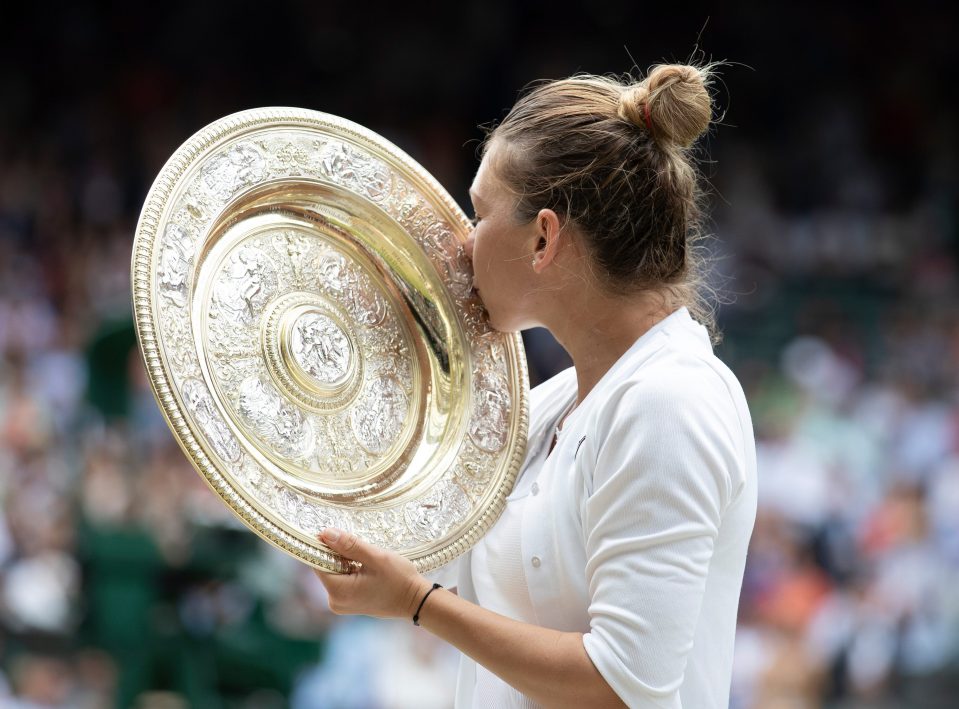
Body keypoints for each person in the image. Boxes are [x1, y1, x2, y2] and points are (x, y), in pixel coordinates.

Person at [314, 63, 758, 709]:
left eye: (478, 212)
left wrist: (416, 604)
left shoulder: (670, 402)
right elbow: (405, 545)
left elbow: (622, 681)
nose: (464, 242)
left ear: (544, 237)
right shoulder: (553, 405)